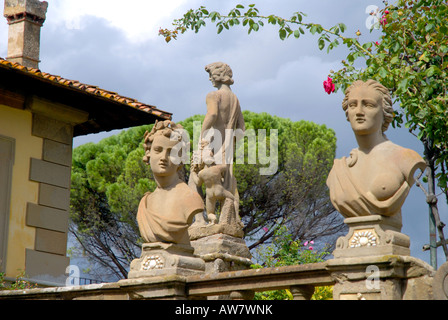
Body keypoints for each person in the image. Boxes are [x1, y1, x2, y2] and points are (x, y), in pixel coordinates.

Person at [326, 80, 426, 219]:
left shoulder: (405, 158)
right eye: (353, 105)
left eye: (368, 105)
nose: (359, 112)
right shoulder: (338, 171)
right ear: (347, 112)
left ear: (384, 112)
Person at [137, 120, 204, 245]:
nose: (163, 157)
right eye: (158, 150)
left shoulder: (190, 199)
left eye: (171, 152)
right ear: (148, 153)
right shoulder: (145, 203)